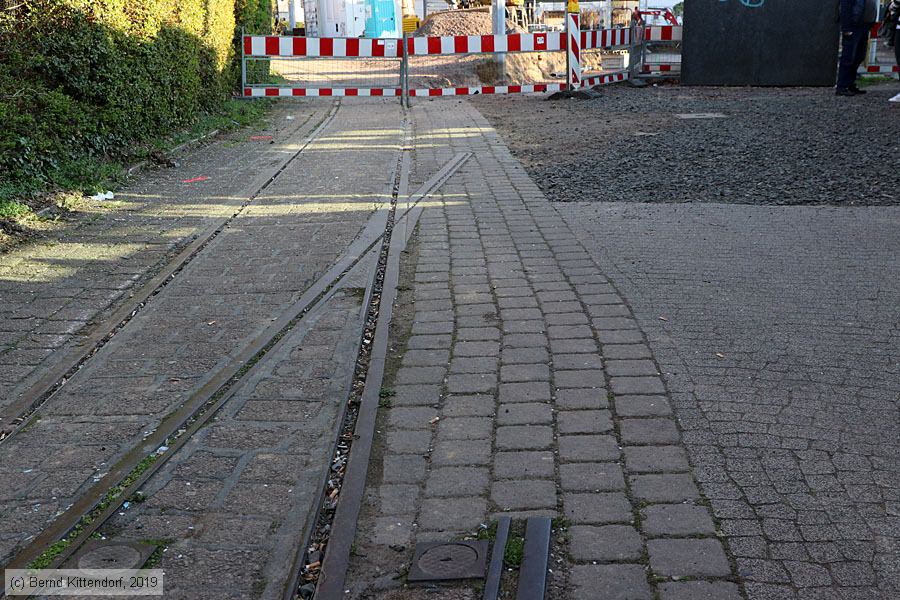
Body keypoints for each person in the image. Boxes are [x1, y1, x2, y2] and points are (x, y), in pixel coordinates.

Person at [837, 0, 880, 96]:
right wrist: (846, 28)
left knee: (859, 56)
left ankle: (850, 84)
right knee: (848, 57)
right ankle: (842, 86)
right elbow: (845, 9)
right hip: (854, 27)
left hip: (864, 26)